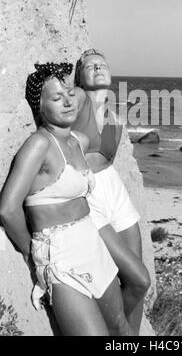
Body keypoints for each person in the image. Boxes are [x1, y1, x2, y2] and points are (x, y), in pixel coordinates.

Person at [0, 62, 133, 336]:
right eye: (56, 98)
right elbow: (8, 209)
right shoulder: (39, 144)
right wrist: (31, 252)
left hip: (93, 244)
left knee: (120, 327)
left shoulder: (78, 141)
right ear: (40, 107)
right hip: (61, 256)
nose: (67, 102)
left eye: (69, 94)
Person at [73, 49, 150, 335]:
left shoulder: (115, 118)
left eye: (102, 64)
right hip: (86, 194)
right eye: (90, 66)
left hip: (113, 189)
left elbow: (104, 161)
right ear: (79, 78)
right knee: (137, 279)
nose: (97, 68)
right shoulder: (76, 102)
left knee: (137, 280)